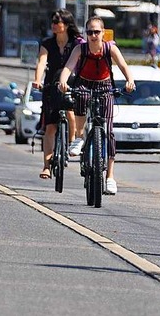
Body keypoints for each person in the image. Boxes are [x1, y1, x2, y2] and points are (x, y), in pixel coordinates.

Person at [58, 16, 136, 195]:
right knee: (80, 98)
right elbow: (68, 68)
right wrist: (62, 82)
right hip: (84, 84)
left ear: (103, 33)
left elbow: (123, 66)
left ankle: (109, 176)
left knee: (108, 131)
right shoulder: (81, 49)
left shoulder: (110, 48)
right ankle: (79, 137)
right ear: (86, 34)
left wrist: (130, 81)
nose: (93, 35)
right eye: (90, 32)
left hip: (105, 86)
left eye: (97, 32)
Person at [32, 8, 83, 179]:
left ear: (67, 25)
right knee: (50, 128)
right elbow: (41, 62)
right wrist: (38, 80)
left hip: (71, 84)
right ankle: (46, 166)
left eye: (57, 22)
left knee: (70, 112)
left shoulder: (77, 43)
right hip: (52, 86)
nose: (54, 25)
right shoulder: (47, 43)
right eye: (52, 22)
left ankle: (71, 142)